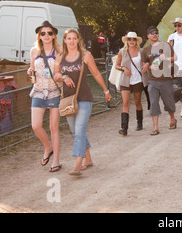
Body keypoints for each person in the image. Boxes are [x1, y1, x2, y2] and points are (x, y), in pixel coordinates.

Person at [54, 28, 112, 176]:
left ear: (78, 40)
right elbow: (55, 75)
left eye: (74, 38)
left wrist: (106, 90)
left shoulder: (86, 55)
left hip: (84, 97)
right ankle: (88, 159)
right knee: (75, 131)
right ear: (65, 40)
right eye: (69, 38)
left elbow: (96, 73)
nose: (72, 41)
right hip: (67, 99)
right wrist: (64, 77)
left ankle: (77, 164)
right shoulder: (60, 57)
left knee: (79, 130)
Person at [28, 21, 62, 172]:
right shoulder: (34, 51)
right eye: (43, 33)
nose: (46, 36)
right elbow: (31, 68)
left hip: (54, 91)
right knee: (36, 126)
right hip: (38, 91)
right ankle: (48, 148)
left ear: (54, 35)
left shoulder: (59, 51)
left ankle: (56, 160)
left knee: (53, 127)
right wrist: (29, 71)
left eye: (49, 33)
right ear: (39, 36)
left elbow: (62, 70)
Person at [141, 26, 177, 135]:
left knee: (168, 102)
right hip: (152, 81)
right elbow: (144, 67)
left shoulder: (165, 46)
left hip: (166, 79)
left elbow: (175, 57)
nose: (154, 34)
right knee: (153, 103)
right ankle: (155, 127)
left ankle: (172, 118)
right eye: (152, 33)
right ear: (148, 36)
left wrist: (165, 58)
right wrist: (149, 67)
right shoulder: (145, 50)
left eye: (156, 32)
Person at [115, 32, 148, 135]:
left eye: (133, 39)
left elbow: (145, 62)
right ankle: (124, 128)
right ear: (127, 41)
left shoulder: (141, 51)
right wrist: (123, 68)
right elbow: (116, 65)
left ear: (136, 41)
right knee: (125, 103)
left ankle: (139, 122)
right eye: (129, 39)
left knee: (137, 102)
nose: (131, 41)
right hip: (126, 81)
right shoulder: (122, 52)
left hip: (138, 80)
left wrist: (146, 65)